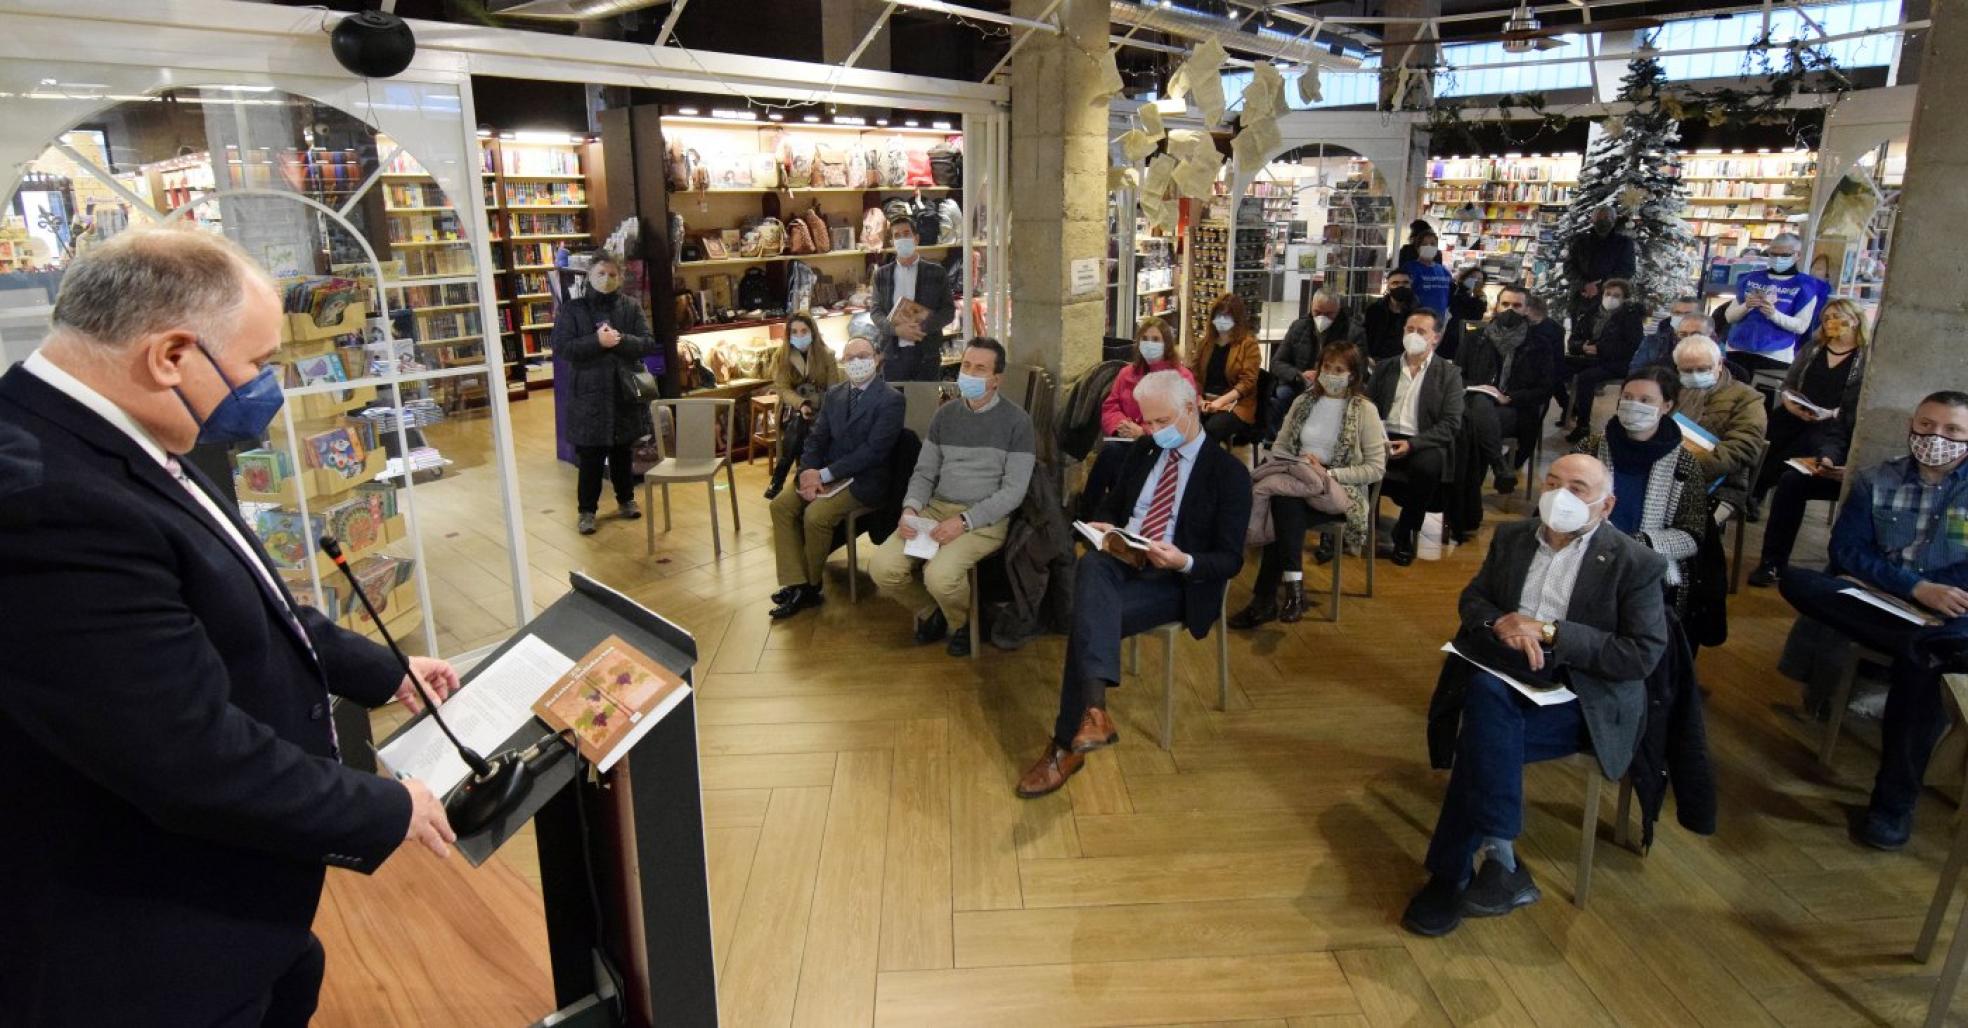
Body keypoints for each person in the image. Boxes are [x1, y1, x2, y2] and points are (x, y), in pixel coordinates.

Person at [0, 228, 459, 1025]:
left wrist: (381, 670)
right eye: (258, 364)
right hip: (148, 950)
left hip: (234, 917)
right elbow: (184, 755)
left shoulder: (100, 430)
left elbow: (240, 596)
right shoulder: (48, 501)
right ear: (170, 355)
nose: (266, 386)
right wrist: (384, 807)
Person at [1403, 453, 1669, 937]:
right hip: (1508, 673)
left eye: (1578, 487)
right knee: (1487, 701)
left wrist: (1549, 631)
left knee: (1481, 734)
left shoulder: (1636, 563)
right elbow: (1474, 600)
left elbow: (1640, 655)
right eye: (1552, 482)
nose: (1561, 495)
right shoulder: (1512, 538)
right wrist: (1500, 623)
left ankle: (1456, 872)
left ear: (1605, 505)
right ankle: (1497, 858)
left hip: (1580, 693)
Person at [1015, 371, 1252, 797]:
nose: (1154, 431)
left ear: (1192, 407)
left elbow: (1230, 559)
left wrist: (1184, 559)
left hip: (1177, 581)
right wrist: (1106, 524)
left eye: (1163, 422)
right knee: (1093, 570)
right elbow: (1114, 504)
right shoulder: (1144, 450)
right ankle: (1093, 714)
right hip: (1127, 559)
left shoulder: (1228, 474)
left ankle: (1068, 743)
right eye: (1150, 422)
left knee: (1089, 614)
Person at [1778, 393, 1968, 850]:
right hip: (1885, 602)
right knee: (1799, 581)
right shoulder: (1876, 481)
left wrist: (1940, 595)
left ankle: (1892, 807)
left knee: (1920, 666)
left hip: (1953, 613)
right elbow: (1847, 552)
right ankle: (1918, 643)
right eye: (1927, 425)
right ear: (1912, 424)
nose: (1935, 438)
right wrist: (1912, 589)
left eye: (1952, 431)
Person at [870, 337, 1035, 657]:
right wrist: (910, 509)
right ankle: (932, 613)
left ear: (997, 379)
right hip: (936, 508)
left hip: (984, 518)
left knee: (940, 576)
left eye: (980, 369)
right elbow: (924, 473)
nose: (970, 374)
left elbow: (1014, 491)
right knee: (882, 568)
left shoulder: (1018, 423)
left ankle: (963, 624)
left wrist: (964, 521)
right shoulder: (944, 416)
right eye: (966, 366)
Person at [1231, 340, 1387, 628]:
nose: (1331, 374)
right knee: (1284, 501)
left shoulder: (1365, 411)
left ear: (1353, 375)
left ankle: (1264, 601)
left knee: (1282, 504)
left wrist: (1329, 474)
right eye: (1327, 367)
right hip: (1297, 477)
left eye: (1339, 369)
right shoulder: (1303, 402)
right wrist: (1300, 464)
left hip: (1339, 490)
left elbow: (1375, 468)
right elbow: (1279, 447)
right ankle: (1292, 591)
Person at [767, 320, 905, 619]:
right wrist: (807, 471)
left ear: (877, 359)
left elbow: (873, 452)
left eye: (863, 356)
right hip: (825, 473)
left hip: (865, 480)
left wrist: (825, 475)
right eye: (850, 358)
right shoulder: (836, 394)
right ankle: (796, 581)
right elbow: (817, 437)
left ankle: (810, 588)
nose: (857, 363)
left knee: (816, 515)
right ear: (842, 362)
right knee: (781, 506)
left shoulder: (892, 400)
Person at [1747, 299, 1870, 586]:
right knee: (1772, 436)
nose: (1832, 322)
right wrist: (1791, 404)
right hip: (1799, 413)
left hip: (1833, 425)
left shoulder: (1865, 357)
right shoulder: (1813, 349)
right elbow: (1790, 384)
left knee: (1799, 461)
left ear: (1855, 320)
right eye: (1827, 317)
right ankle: (1753, 492)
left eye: (1838, 317)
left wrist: (1833, 414)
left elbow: (1856, 408)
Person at [1578, 368, 1711, 614]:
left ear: (1667, 406)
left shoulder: (1683, 463)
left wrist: (1634, 544)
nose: (1632, 405)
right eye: (1627, 397)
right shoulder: (1592, 447)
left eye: (1645, 401)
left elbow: (1691, 535)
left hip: (1646, 562)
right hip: (1588, 551)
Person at [553, 254, 654, 535]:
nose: (606, 279)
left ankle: (627, 500)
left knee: (623, 451)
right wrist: (596, 342)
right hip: (589, 395)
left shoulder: (630, 308)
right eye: (600, 273)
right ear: (589, 275)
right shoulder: (573, 310)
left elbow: (646, 343)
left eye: (612, 274)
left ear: (620, 277)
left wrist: (620, 341)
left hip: (623, 393)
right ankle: (587, 511)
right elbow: (563, 347)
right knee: (591, 456)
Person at [1368, 309, 1465, 566]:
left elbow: (1451, 423)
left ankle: (1405, 532)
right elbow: (1367, 406)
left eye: (1421, 331)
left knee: (1428, 467)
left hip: (1423, 440)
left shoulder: (1449, 374)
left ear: (1435, 337)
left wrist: (1412, 445)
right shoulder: (1386, 367)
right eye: (1409, 330)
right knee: (1352, 457)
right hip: (1383, 435)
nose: (1414, 335)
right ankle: (1353, 525)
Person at [1086, 316, 1195, 516]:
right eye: (1145, 339)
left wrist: (1144, 432)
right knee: (1111, 454)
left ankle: (1105, 513)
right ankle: (1093, 513)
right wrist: (1121, 425)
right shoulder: (1127, 373)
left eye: (1155, 340)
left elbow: (1181, 422)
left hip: (1161, 445)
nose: (1149, 344)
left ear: (1167, 344)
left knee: (1115, 457)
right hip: (1126, 438)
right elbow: (1111, 404)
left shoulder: (1181, 377)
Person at [1458, 284, 1558, 495]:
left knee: (1473, 428)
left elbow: (1546, 388)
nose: (1510, 310)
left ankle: (1467, 500)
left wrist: (1510, 397)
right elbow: (1458, 376)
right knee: (1480, 405)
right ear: (1496, 307)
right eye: (1505, 304)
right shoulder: (1475, 338)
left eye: (1516, 305)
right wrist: (1477, 388)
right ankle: (1499, 465)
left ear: (1526, 309)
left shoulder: (1540, 344)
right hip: (1475, 402)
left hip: (1515, 409)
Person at [1671, 333, 1768, 515]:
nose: (1695, 375)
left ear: (1720, 364)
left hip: (1723, 484)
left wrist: (1688, 468)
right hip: (1665, 475)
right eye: (1687, 370)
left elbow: (1744, 448)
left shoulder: (1747, 397)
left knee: (1688, 526)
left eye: (1703, 369)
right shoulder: (1672, 391)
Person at [763, 311, 840, 500]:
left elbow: (834, 388)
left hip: (822, 407)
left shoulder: (827, 355)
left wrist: (821, 409)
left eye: (804, 331)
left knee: (806, 428)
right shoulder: (782, 356)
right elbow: (782, 389)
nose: (799, 336)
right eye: (794, 332)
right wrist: (802, 405)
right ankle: (796, 478)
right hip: (793, 408)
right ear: (788, 334)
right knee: (799, 424)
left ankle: (780, 478)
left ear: (812, 331)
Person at [1724, 232, 1828, 372]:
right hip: (1737, 349)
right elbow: (1729, 317)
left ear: (1797, 255)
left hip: (1776, 355)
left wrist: (1774, 314)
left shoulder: (1805, 286)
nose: (1778, 258)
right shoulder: (1752, 278)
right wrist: (1746, 306)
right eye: (1773, 254)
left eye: (1784, 255)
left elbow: (1801, 326)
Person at [871, 213, 955, 382]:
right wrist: (896, 330)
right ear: (892, 242)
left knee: (925, 405)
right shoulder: (881, 274)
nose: (902, 239)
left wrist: (922, 327)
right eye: (897, 236)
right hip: (893, 356)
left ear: (916, 238)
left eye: (906, 234)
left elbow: (948, 311)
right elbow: (876, 311)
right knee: (894, 405)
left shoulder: (937, 272)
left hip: (927, 355)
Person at [1563, 277, 1645, 442]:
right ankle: (1568, 407)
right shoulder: (1591, 312)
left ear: (1624, 299)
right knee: (1556, 368)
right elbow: (1574, 338)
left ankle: (1583, 424)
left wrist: (1600, 349)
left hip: (1615, 362)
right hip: (1587, 357)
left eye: (1616, 295)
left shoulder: (1630, 317)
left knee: (1586, 378)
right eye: (1608, 294)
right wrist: (1581, 347)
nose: (1611, 298)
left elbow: (1631, 346)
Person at [1268, 289, 1351, 435]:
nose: (1322, 318)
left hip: (1336, 388)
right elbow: (1277, 362)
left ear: (1338, 310)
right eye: (1317, 313)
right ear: (1311, 308)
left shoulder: (1352, 331)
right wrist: (1299, 375)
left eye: (1329, 314)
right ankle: (1273, 441)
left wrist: (1324, 376)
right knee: (1277, 399)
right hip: (1299, 384)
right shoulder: (1298, 327)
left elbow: (1358, 369)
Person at [1189, 292, 1261, 446]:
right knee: (1182, 422)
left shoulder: (1248, 344)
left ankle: (1207, 467)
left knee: (1211, 429)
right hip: (1205, 400)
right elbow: (1193, 375)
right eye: (1218, 315)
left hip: (1235, 406)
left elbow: (1247, 383)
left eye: (1226, 316)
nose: (1221, 320)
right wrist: (1199, 399)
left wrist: (1220, 402)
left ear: (1237, 319)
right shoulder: (1205, 343)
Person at [1562, 207, 1636, 346]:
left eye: (1607, 218)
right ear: (1592, 220)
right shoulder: (1579, 241)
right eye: (1599, 218)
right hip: (1581, 297)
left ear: (1614, 221)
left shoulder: (1624, 243)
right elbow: (1568, 267)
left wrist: (1600, 287)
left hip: (1609, 299)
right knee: (1577, 340)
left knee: (1606, 340)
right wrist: (1584, 285)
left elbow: (1627, 270)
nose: (1603, 221)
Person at [1359, 269, 1419, 362]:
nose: (1400, 286)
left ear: (1411, 285)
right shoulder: (1374, 310)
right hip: (1377, 361)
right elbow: (1367, 337)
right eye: (1395, 283)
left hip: (1407, 362)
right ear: (1388, 287)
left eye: (1405, 283)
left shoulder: (1419, 313)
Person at [1630, 295, 1703, 373]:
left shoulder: (1709, 342)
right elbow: (1636, 370)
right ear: (1671, 314)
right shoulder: (1652, 341)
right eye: (1677, 313)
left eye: (1688, 314)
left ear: (1700, 316)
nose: (1682, 317)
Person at [1400, 229, 1454, 324]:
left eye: (1432, 244)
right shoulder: (1410, 268)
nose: (1429, 247)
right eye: (1424, 244)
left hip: (1439, 320)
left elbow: (1449, 293)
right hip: (1417, 319)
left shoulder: (1443, 270)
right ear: (1417, 248)